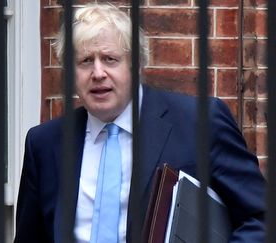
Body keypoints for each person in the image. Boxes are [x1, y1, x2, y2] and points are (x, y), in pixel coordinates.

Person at [14, 3, 265, 243]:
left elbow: (261, 217)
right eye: (85, 61)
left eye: (110, 59)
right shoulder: (45, 144)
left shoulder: (200, 122)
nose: (98, 73)